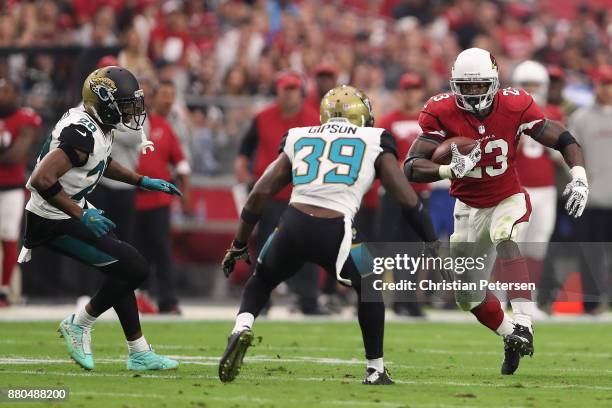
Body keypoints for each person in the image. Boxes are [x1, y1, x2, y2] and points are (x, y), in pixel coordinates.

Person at [219, 85, 438, 385]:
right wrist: (431, 241)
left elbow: (260, 191)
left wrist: (239, 243)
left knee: (261, 279)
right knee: (371, 283)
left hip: (292, 224)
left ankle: (241, 327)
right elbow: (406, 197)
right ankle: (375, 369)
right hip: (336, 229)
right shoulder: (374, 138)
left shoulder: (300, 135)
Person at [404, 48, 588, 375]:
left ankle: (524, 322)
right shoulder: (441, 110)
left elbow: (560, 136)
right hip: (468, 207)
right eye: (466, 86)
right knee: (467, 296)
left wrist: (578, 175)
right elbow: (411, 167)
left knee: (505, 235)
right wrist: (448, 171)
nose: (473, 93)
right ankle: (510, 336)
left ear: (494, 82)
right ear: (454, 85)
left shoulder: (515, 104)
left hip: (508, 197)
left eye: (479, 86)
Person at [19, 66, 180, 371]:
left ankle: (139, 351)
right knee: (135, 267)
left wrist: (141, 180)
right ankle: (79, 324)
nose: (132, 111)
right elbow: (41, 179)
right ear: (104, 102)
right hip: (52, 220)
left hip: (73, 208)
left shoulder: (97, 125)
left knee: (125, 269)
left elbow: (100, 161)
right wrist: (81, 215)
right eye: (125, 103)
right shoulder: (81, 132)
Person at [235, 71, 325, 315]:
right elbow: (246, 146)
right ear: (278, 91)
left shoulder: (313, 117)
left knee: (308, 247)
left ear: (300, 91)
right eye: (286, 89)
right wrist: (242, 167)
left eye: (294, 89)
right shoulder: (263, 117)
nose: (290, 94)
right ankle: (261, 300)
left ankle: (309, 300)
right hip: (271, 195)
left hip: (302, 194)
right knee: (267, 248)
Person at [134, 79, 191, 314]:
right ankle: (136, 296)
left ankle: (167, 299)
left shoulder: (163, 126)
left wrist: (186, 192)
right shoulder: (124, 126)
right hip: (131, 199)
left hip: (158, 200)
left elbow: (180, 162)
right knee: (134, 250)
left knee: (161, 249)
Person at [512, 60, 564, 313]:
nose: (531, 90)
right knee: (513, 242)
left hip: (546, 188)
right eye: (526, 85)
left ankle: (527, 298)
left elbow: (562, 153)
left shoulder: (554, 113)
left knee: (538, 244)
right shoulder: (510, 113)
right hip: (517, 187)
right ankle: (506, 295)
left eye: (535, 85)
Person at [377, 73, 431, 317]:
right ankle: (373, 296)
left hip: (419, 191)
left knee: (413, 249)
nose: (411, 93)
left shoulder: (430, 122)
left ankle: (407, 299)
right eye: (407, 89)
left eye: (415, 88)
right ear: (401, 92)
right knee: (386, 245)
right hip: (394, 192)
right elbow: (379, 154)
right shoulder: (389, 121)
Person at [567, 65, 612, 314]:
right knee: (589, 254)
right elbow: (569, 152)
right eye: (602, 83)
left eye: (609, 83)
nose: (606, 89)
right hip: (591, 198)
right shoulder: (581, 117)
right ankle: (591, 303)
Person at [0, 79, 41, 306]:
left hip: (12, 187)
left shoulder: (25, 118)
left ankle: (4, 291)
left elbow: (17, 155)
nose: (1, 96)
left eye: (6, 91)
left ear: (16, 94)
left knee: (8, 236)